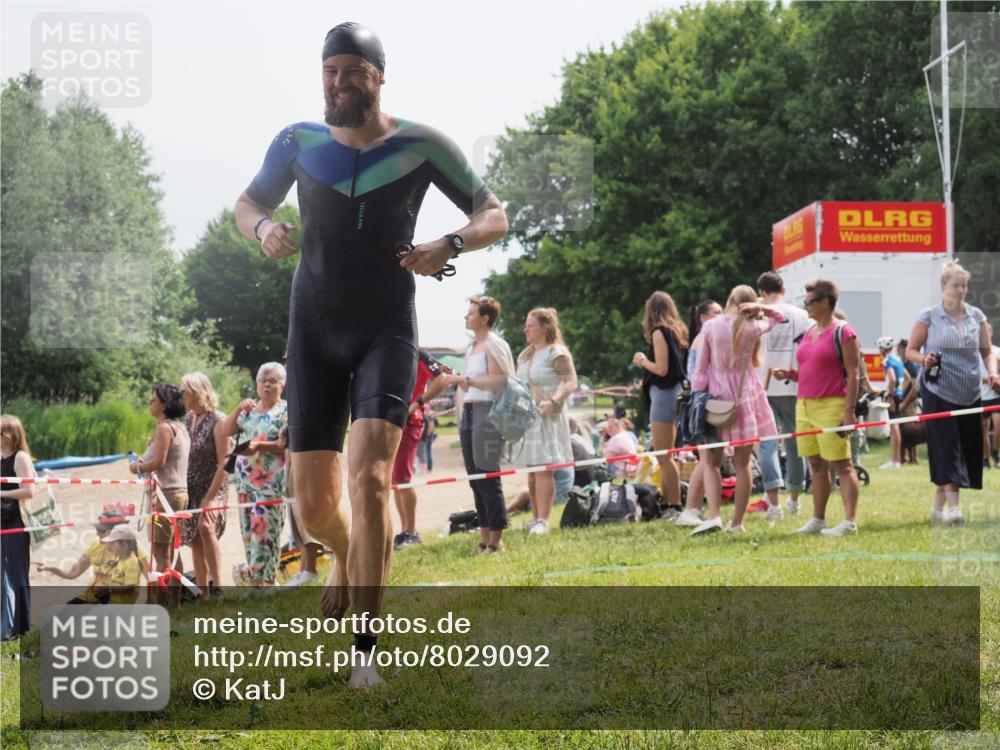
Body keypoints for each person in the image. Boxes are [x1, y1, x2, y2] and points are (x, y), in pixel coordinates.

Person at [234, 22, 508, 689]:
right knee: (315, 506)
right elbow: (245, 205)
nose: (339, 83)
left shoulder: (420, 144)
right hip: (313, 329)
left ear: (378, 77)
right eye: (330, 71)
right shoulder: (296, 142)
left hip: (387, 324)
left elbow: (493, 214)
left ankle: (366, 656)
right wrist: (265, 227)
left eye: (353, 72)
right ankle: (345, 552)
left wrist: (450, 241)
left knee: (371, 479)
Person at [906, 261, 999, 525]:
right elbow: (912, 348)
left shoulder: (976, 316)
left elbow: (986, 352)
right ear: (942, 287)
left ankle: (937, 509)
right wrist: (923, 359)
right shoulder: (929, 316)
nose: (960, 290)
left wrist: (992, 372)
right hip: (938, 390)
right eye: (955, 285)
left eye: (964, 285)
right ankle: (955, 510)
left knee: (965, 449)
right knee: (947, 448)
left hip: (970, 391)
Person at [690, 286, 786, 535]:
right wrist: (761, 309)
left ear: (729, 299)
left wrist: (696, 394)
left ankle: (714, 516)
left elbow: (700, 368)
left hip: (717, 396)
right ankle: (737, 523)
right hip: (747, 396)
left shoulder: (711, 326)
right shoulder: (753, 327)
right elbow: (779, 317)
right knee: (743, 464)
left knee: (711, 462)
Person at [773, 280, 862, 537]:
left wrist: (849, 410)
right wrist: (790, 374)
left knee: (842, 465)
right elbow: (810, 369)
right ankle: (818, 519)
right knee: (816, 465)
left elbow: (853, 373)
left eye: (809, 302)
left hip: (832, 405)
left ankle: (849, 522)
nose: (806, 307)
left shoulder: (843, 332)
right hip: (804, 405)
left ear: (825, 303)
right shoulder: (810, 332)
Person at [446, 297, 514, 553]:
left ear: (485, 318)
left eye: (471, 313)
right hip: (471, 410)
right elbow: (470, 382)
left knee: (488, 476)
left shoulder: (494, 344)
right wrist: (457, 379)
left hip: (489, 411)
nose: (466, 317)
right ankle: (484, 537)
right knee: (475, 478)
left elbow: (499, 381)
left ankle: (496, 541)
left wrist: (467, 379)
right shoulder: (472, 347)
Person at [219, 363, 288, 588]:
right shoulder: (249, 410)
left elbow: (283, 444)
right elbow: (225, 431)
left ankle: (267, 580)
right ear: (257, 384)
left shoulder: (286, 410)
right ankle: (255, 582)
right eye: (263, 380)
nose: (267, 384)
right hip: (244, 482)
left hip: (269, 482)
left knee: (265, 529)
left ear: (282, 385)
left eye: (273, 381)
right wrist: (239, 409)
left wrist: (259, 446)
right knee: (248, 530)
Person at [516, 308, 579, 536]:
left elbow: (570, 381)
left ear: (545, 327)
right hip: (528, 418)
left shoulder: (557, 351)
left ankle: (543, 520)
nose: (526, 329)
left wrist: (554, 401)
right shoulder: (525, 355)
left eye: (530, 325)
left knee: (544, 469)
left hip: (549, 416)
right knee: (532, 470)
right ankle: (534, 518)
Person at [756, 272, 811, 519]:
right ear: (784, 290)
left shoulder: (757, 313)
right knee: (794, 443)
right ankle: (795, 498)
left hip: (763, 387)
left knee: (767, 444)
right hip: (792, 385)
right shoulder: (801, 315)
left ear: (762, 292)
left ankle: (773, 501)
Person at [129, 384, 189, 604]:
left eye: (153, 399)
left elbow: (159, 462)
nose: (149, 402)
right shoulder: (180, 427)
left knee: (161, 552)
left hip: (165, 494)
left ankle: (160, 602)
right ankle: (174, 600)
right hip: (178, 492)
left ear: (164, 404)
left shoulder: (164, 428)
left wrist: (136, 467)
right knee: (173, 550)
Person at [633, 292, 688, 513]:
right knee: (666, 454)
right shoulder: (677, 332)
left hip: (664, 395)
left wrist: (643, 361)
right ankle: (668, 501)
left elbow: (662, 369)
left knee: (664, 455)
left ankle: (673, 504)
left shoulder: (659, 332)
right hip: (670, 393)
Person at [392, 348, 450, 550]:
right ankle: (404, 530)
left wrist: (417, 403)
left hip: (409, 422)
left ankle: (412, 531)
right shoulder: (387, 350)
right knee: (395, 480)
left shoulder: (418, 353)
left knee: (402, 478)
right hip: (391, 421)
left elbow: (442, 379)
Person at [180, 372, 230, 598]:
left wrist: (210, 497)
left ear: (197, 392)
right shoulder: (187, 419)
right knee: (194, 539)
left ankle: (218, 587)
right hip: (191, 488)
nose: (181, 395)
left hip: (214, 486)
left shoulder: (218, 420)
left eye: (185, 391)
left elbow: (225, 462)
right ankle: (203, 592)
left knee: (206, 528)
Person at [675, 300, 723, 528]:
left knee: (707, 460)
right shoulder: (703, 338)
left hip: (704, 402)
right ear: (703, 317)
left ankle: (692, 508)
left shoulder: (706, 337)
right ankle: (690, 509)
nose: (721, 316)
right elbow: (698, 376)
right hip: (703, 403)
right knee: (707, 459)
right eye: (716, 312)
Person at [40, 517, 147, 605]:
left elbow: (143, 580)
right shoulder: (96, 545)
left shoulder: (132, 554)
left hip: (111, 601)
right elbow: (72, 573)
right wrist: (50, 568)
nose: (97, 534)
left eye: (100, 531)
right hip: (96, 595)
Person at [1, 415, 35, 641]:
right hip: (2, 521)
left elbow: (28, 490)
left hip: (15, 522)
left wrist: (2, 493)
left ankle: (20, 626)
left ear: (8, 435)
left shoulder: (20, 457)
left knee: (17, 573)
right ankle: (5, 625)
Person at [877, 336, 906, 470]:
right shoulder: (898, 359)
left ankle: (895, 461)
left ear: (883, 348)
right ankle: (896, 460)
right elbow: (908, 378)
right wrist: (900, 392)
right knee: (896, 428)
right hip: (898, 396)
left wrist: (889, 394)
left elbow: (892, 379)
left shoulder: (887, 360)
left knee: (894, 428)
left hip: (892, 397)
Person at [978, 322, 1000, 470]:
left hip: (996, 395)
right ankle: (985, 459)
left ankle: (995, 452)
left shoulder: (997, 352)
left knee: (998, 427)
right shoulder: (973, 353)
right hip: (980, 396)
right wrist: (982, 380)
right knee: (982, 430)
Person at [415, 404, 437, 473]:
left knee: (426, 452)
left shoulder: (428, 417)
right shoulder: (425, 416)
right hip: (425, 437)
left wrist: (426, 435)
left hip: (427, 437)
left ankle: (428, 468)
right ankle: (425, 468)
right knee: (424, 453)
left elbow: (431, 427)